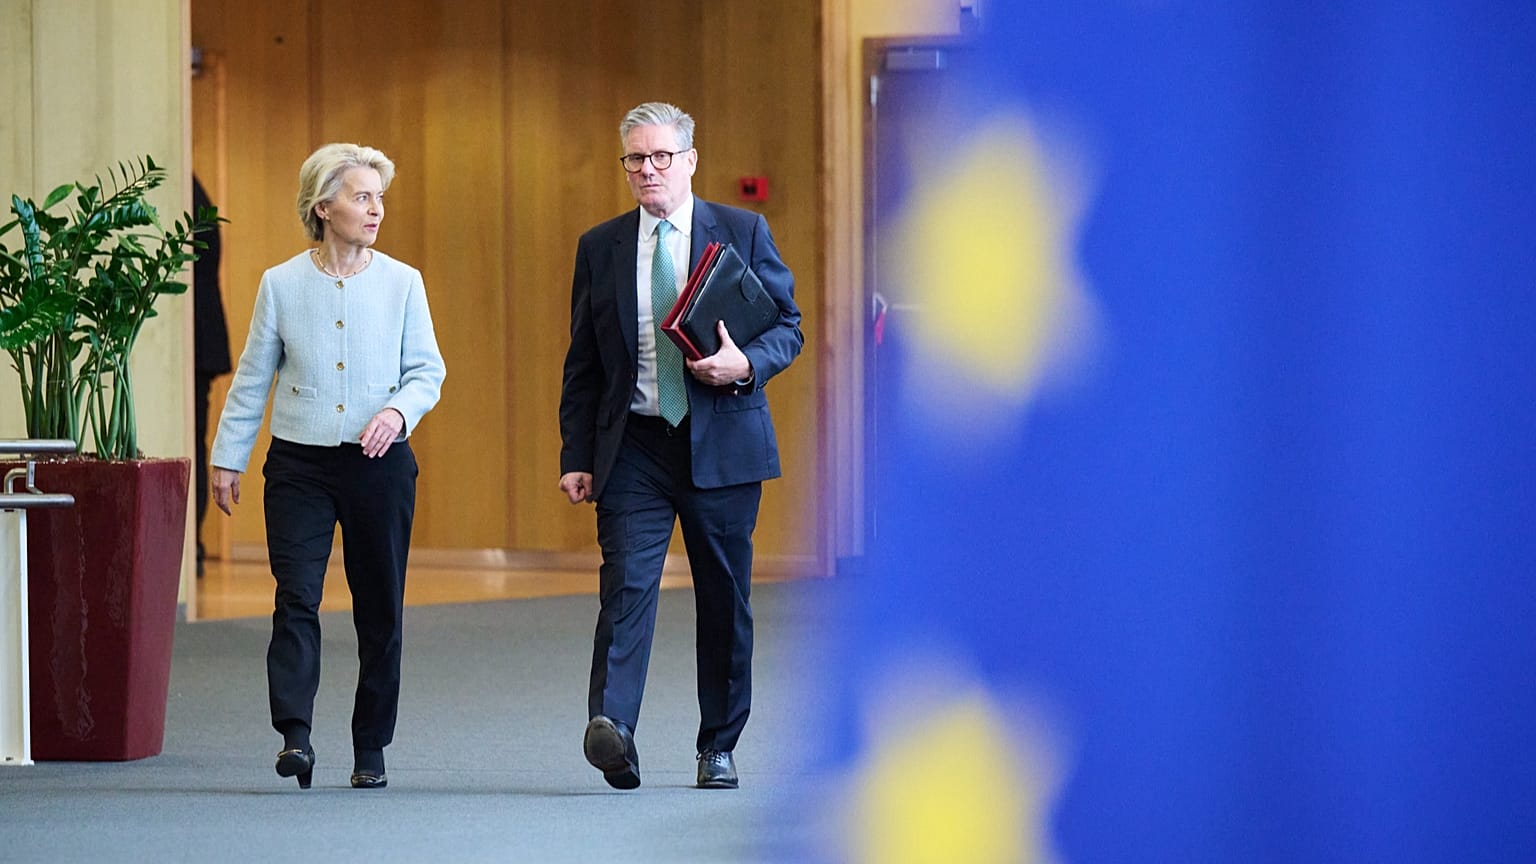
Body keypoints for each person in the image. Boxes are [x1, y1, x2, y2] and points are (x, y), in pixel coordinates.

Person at [558, 102, 804, 790]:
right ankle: (613, 729)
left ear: (690, 161)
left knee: (723, 596)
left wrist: (744, 364)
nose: (648, 169)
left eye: (661, 156)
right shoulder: (600, 246)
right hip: (634, 444)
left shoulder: (743, 230)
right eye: (635, 158)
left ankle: (717, 745)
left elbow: (788, 325)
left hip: (721, 440)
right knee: (625, 586)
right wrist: (576, 455)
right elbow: (583, 363)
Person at [209, 143, 446, 790]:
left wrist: (397, 413)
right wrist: (228, 459)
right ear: (323, 207)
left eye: (379, 197)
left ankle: (371, 746)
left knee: (380, 607)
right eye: (361, 196)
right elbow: (252, 378)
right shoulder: (281, 284)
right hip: (299, 467)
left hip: (379, 466)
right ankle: (295, 735)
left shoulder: (402, 281)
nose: (376, 209)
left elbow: (427, 370)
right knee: (296, 596)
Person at [191, 175, 232, 579]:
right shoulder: (193, 188)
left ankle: (191, 546)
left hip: (195, 342)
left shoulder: (181, 187)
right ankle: (194, 547)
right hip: (201, 342)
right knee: (195, 444)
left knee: (191, 445)